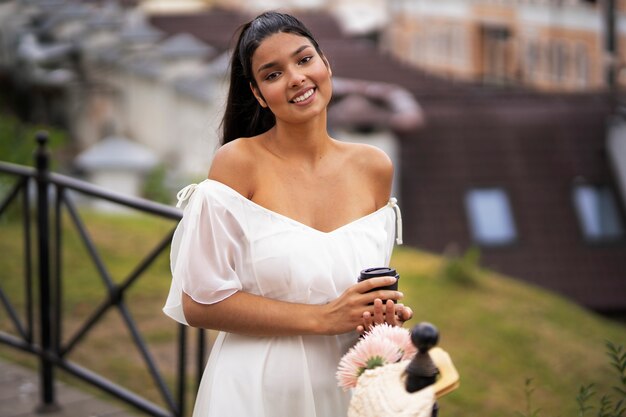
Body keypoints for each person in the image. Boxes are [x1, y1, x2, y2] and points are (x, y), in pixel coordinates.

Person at [163, 11, 413, 417]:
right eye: (273, 74)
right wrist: (324, 318)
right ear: (259, 94)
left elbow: (357, 288)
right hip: (258, 389)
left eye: (304, 59)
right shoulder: (238, 163)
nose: (297, 78)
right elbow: (198, 302)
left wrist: (380, 315)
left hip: (346, 387)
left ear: (325, 63)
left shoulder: (374, 166)